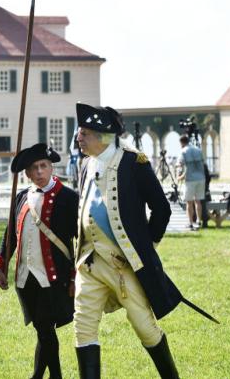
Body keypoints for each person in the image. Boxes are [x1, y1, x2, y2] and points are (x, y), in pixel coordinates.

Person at [73, 103, 184, 379]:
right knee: (83, 326)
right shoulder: (86, 163)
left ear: (102, 136)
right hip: (89, 263)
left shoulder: (134, 163)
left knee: (144, 326)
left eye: (85, 133)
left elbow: (162, 208)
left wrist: (148, 246)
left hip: (124, 265)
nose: (79, 138)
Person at [0, 143, 78, 379]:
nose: (39, 171)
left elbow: (82, 242)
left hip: (54, 275)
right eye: (34, 168)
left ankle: (53, 376)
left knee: (44, 326)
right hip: (25, 276)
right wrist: (0, 264)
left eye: (43, 166)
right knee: (43, 328)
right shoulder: (21, 197)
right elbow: (10, 234)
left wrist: (74, 276)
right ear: (27, 173)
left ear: (51, 167)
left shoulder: (69, 198)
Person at [176, 135, 205, 230]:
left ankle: (190, 222)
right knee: (198, 201)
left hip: (190, 179)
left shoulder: (183, 151)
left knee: (189, 202)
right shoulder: (198, 150)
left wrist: (179, 176)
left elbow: (180, 164)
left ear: (182, 143)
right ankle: (199, 221)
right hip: (201, 178)